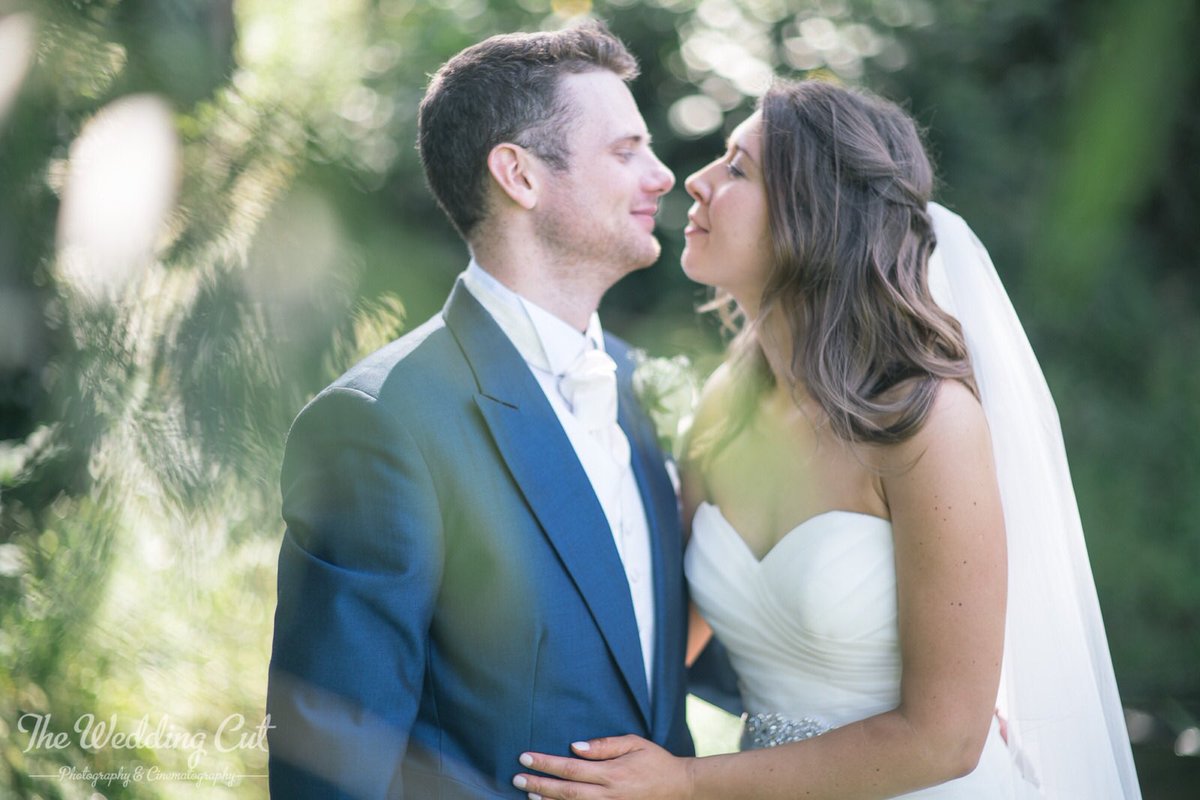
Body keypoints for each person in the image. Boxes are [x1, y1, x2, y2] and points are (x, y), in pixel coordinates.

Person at [513, 80, 1142, 798]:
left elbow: (946, 738)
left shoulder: (926, 424)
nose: (696, 179)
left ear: (817, 215)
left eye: (738, 167)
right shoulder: (728, 408)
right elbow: (660, 640)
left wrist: (687, 784)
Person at [266, 21, 694, 798]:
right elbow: (331, 762)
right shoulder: (379, 424)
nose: (665, 176)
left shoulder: (636, 386)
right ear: (520, 176)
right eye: (626, 150)